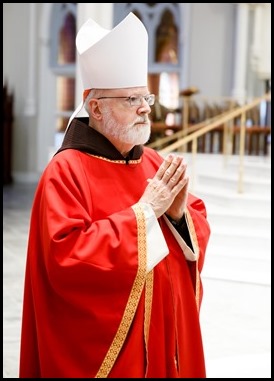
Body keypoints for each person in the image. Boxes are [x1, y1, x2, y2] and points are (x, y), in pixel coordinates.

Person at [19, 12, 211, 378]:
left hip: (164, 346)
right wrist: (144, 214)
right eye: (131, 99)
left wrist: (177, 214)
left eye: (146, 98)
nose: (144, 108)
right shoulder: (65, 172)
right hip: (113, 359)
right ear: (95, 107)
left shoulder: (153, 161)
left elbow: (195, 227)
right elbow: (67, 259)